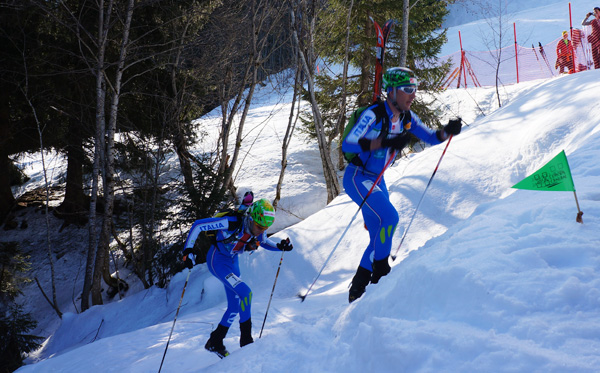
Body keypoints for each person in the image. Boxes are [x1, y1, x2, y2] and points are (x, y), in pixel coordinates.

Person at [341, 67, 462, 303]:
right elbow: (348, 143)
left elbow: (429, 137)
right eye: (407, 90)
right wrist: (385, 141)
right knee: (391, 218)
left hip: (378, 179)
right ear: (392, 91)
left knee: (379, 233)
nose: (413, 95)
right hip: (358, 177)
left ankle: (357, 287)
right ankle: (380, 276)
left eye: (414, 89)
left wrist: (448, 131)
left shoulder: (406, 117)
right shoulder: (373, 114)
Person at [181, 198, 293, 357]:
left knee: (234, 306)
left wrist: (279, 247)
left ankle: (215, 341)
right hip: (217, 261)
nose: (261, 231)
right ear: (252, 218)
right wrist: (188, 250)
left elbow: (265, 242)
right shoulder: (230, 222)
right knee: (246, 293)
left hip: (233, 262)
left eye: (265, 228)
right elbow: (198, 225)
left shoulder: (257, 227)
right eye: (260, 227)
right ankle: (246, 342)